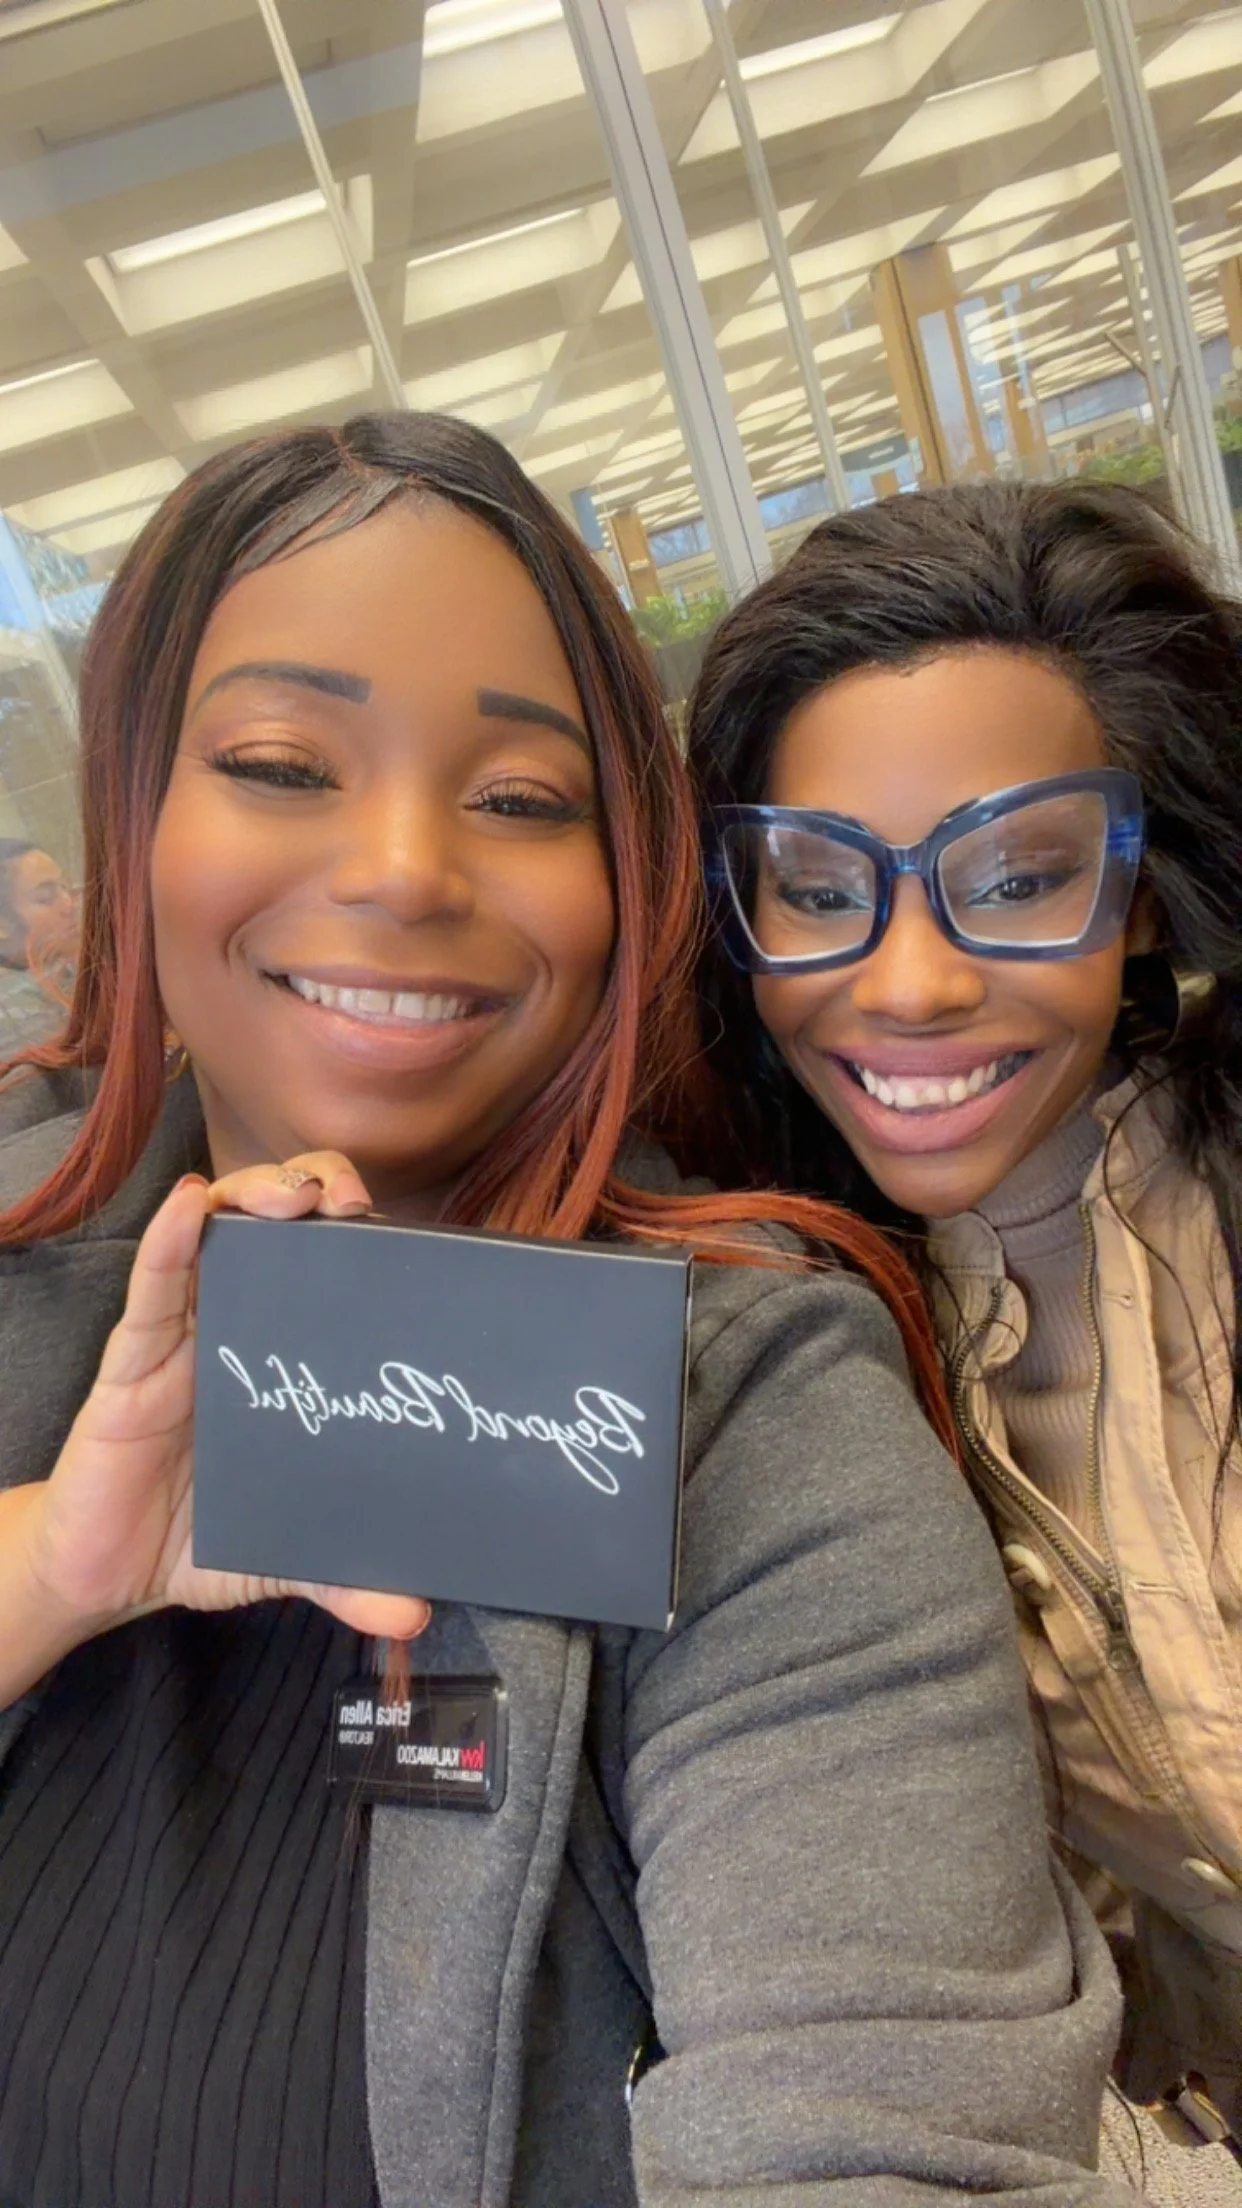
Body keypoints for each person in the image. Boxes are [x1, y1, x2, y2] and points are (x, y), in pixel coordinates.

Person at [0, 416, 1131, 2208]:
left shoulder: (740, 1398)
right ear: (131, 819)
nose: (401, 868)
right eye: (284, 762)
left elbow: (884, 2119)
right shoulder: (19, 1227)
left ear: (631, 888)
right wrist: (55, 1562)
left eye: (522, 796)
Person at [688, 479, 1242, 2176]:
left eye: (1017, 878)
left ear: (1140, 893)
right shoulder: (775, 1365)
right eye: (815, 880)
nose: (910, 979)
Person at [0, 837, 78, 1058]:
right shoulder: (11, 1011)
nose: (69, 905)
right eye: (45, 898)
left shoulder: (61, 965)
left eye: (65, 887)